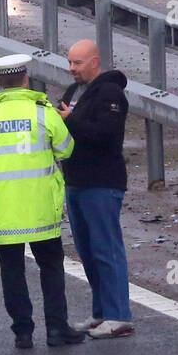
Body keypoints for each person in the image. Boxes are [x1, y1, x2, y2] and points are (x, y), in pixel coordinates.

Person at [0, 54, 84, 349]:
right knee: (51, 268)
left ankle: (23, 332)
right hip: (40, 208)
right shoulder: (43, 112)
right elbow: (66, 149)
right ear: (25, 80)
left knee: (12, 271)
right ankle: (56, 330)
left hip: (4, 213)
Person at [58, 40, 135, 339]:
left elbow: (106, 135)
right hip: (75, 181)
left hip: (102, 183)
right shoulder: (73, 91)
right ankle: (101, 312)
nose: (72, 69)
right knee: (88, 251)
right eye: (70, 63)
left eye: (77, 63)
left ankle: (119, 315)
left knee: (106, 249)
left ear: (94, 61)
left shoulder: (110, 93)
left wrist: (71, 120)